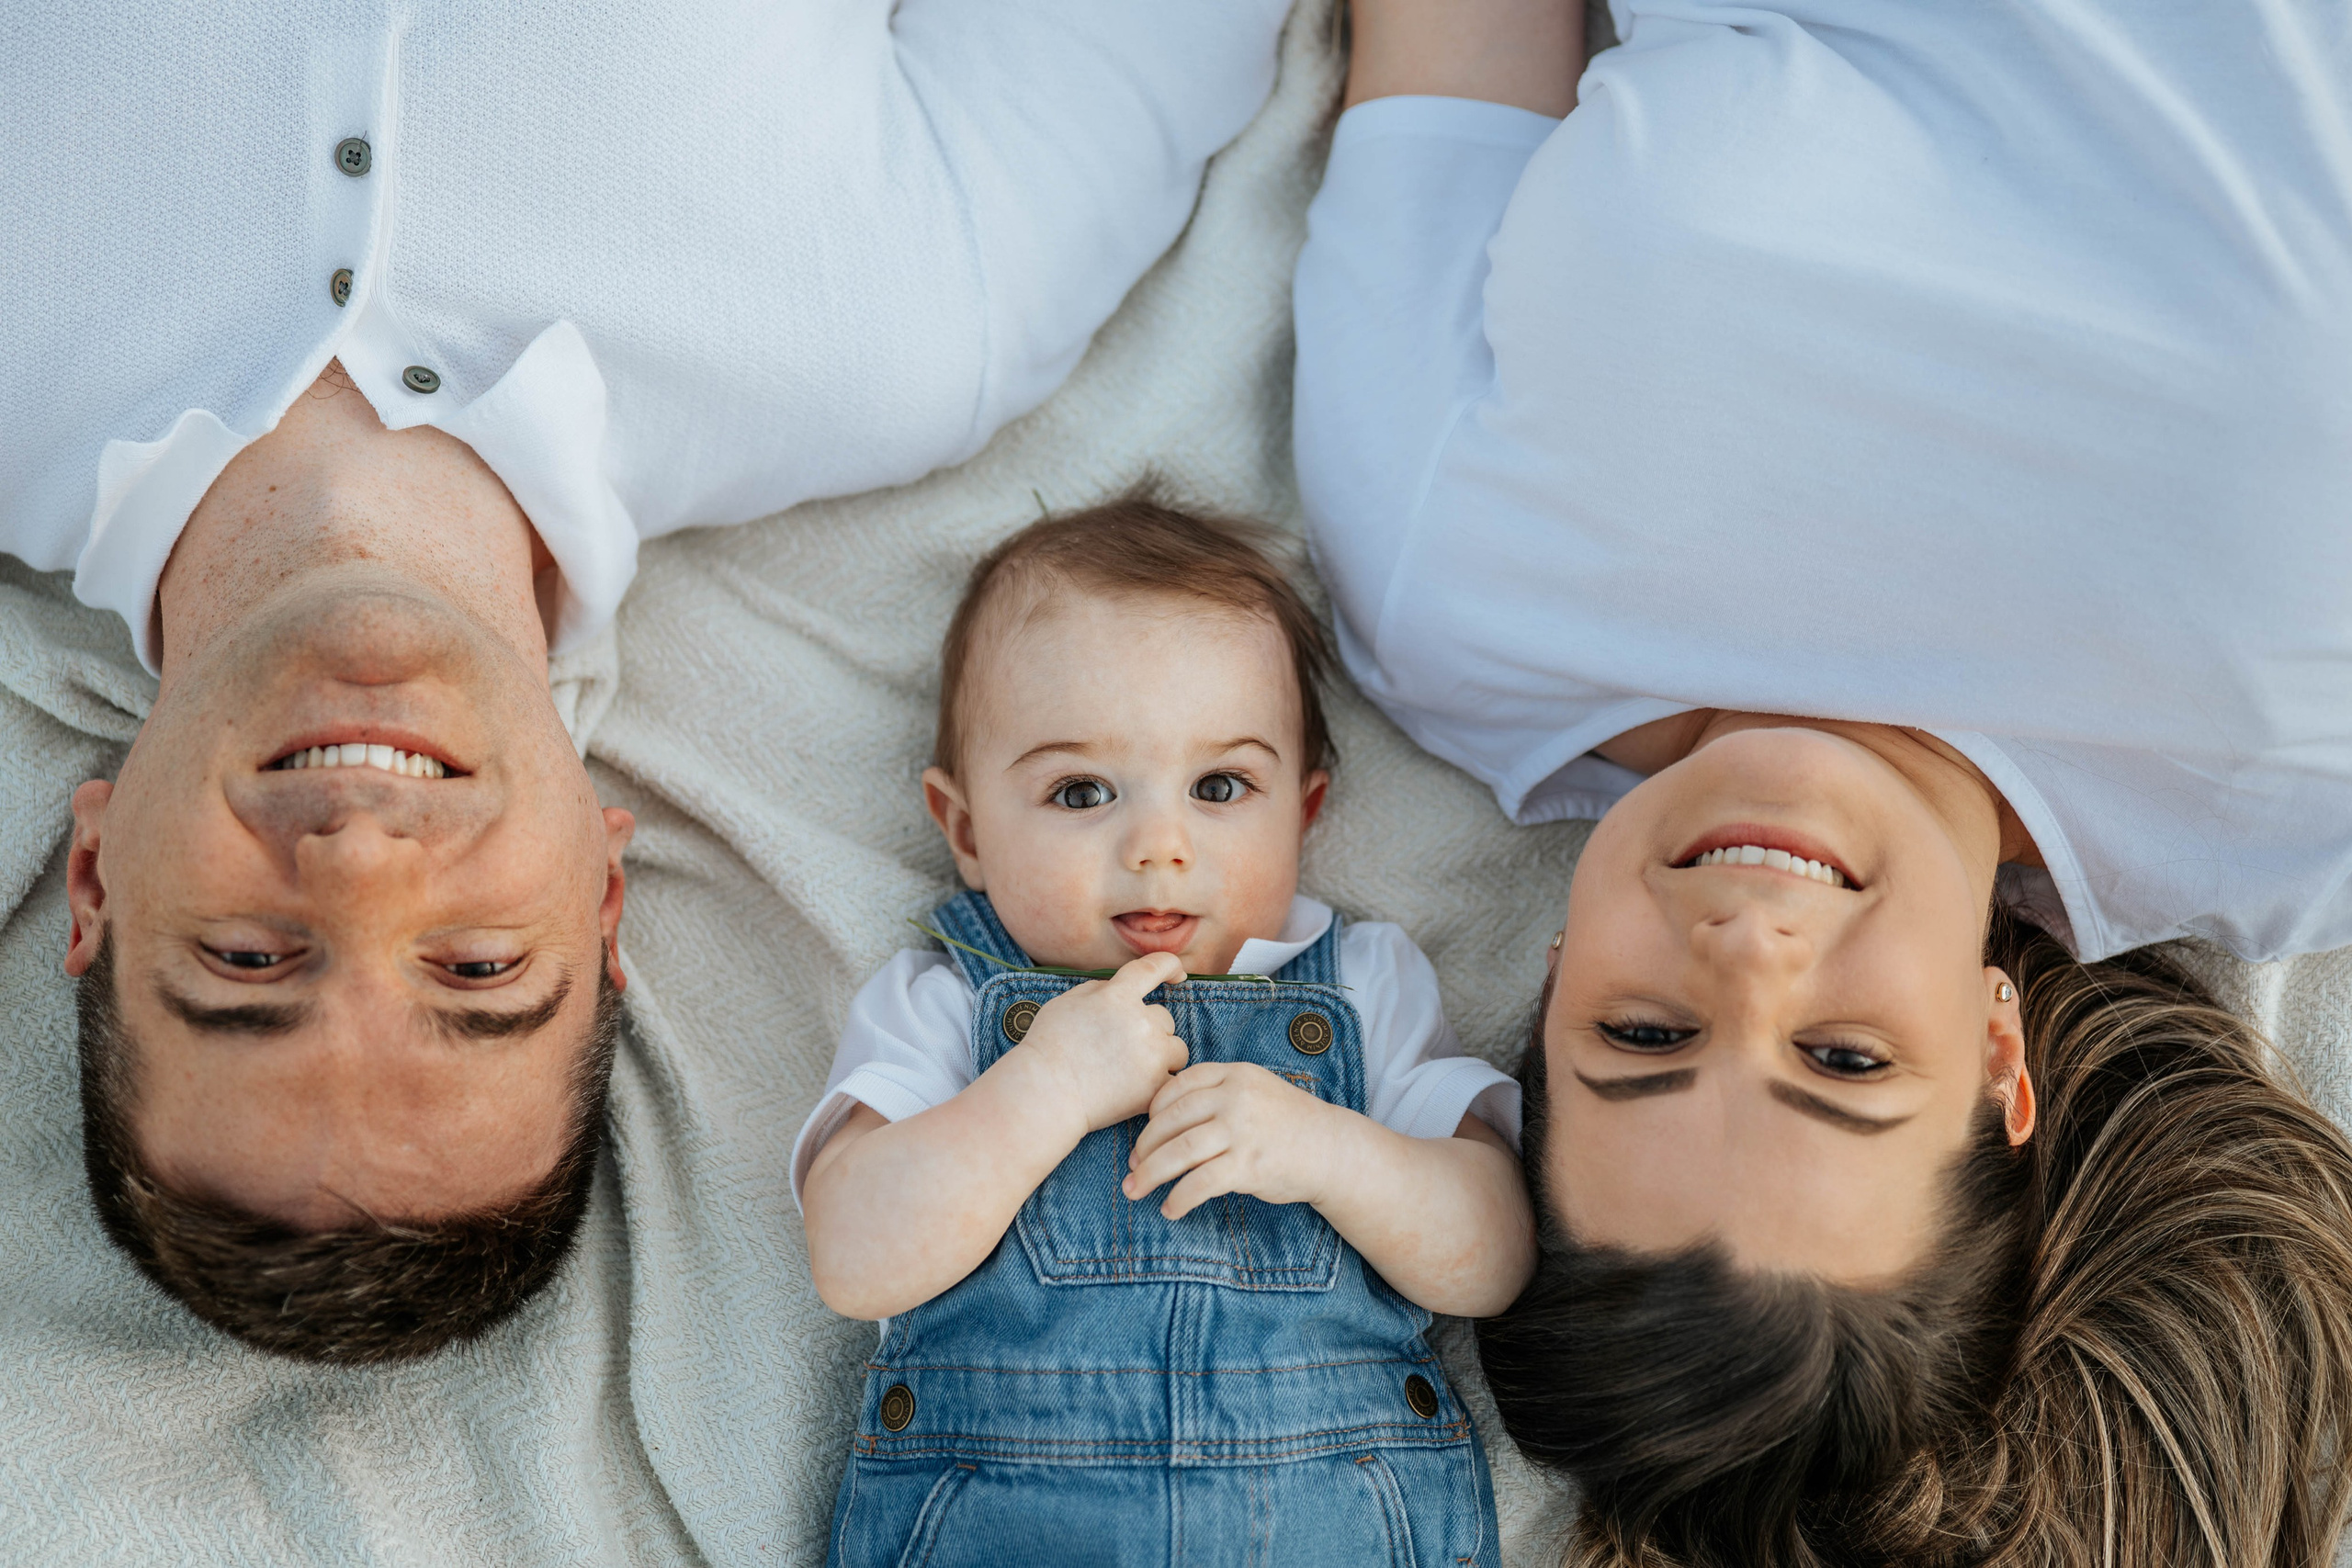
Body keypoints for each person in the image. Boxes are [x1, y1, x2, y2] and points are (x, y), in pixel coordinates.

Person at [6, 0, 1289, 1363]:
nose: (365, 860)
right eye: (479, 964)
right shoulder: (907, 331)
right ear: (603, 894)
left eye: (248, 956)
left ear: (93, 877)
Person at [1294, 0, 2352, 1562]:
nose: (1748, 955)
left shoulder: (1441, 592)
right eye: (1846, 1061)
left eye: (1644, 1035)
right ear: (2002, 1058)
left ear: (1557, 971)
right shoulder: (2294, 796)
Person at [793, 499, 1535, 1564]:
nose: (1159, 847)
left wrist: (1331, 1151)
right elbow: (854, 1257)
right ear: (964, 830)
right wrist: (1037, 1093)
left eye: (1221, 786)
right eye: (1081, 790)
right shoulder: (942, 1003)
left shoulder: (1362, 988)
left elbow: (1495, 1254)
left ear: (1304, 813)